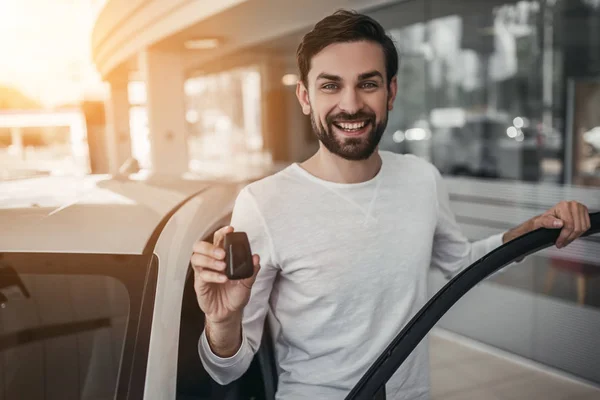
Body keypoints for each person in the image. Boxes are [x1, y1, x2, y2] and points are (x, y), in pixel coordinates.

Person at [191, 9, 591, 399]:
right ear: (305, 96)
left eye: (368, 84)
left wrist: (526, 234)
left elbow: (461, 265)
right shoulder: (263, 203)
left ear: (391, 92)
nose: (350, 105)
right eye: (330, 85)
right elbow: (229, 370)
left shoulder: (421, 178)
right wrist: (222, 320)